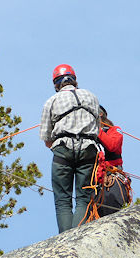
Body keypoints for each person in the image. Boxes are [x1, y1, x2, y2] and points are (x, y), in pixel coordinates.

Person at [40, 64, 100, 233]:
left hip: (62, 150)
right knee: (84, 198)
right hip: (88, 149)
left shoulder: (52, 101)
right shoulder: (92, 97)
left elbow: (46, 139)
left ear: (56, 84)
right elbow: (97, 127)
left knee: (62, 200)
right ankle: (78, 235)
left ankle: (65, 240)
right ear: (74, 80)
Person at [96, 106, 131, 217]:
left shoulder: (114, 130)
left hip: (112, 178)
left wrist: (97, 130)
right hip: (94, 182)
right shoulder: (88, 135)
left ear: (100, 114)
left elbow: (112, 145)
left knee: (112, 213)